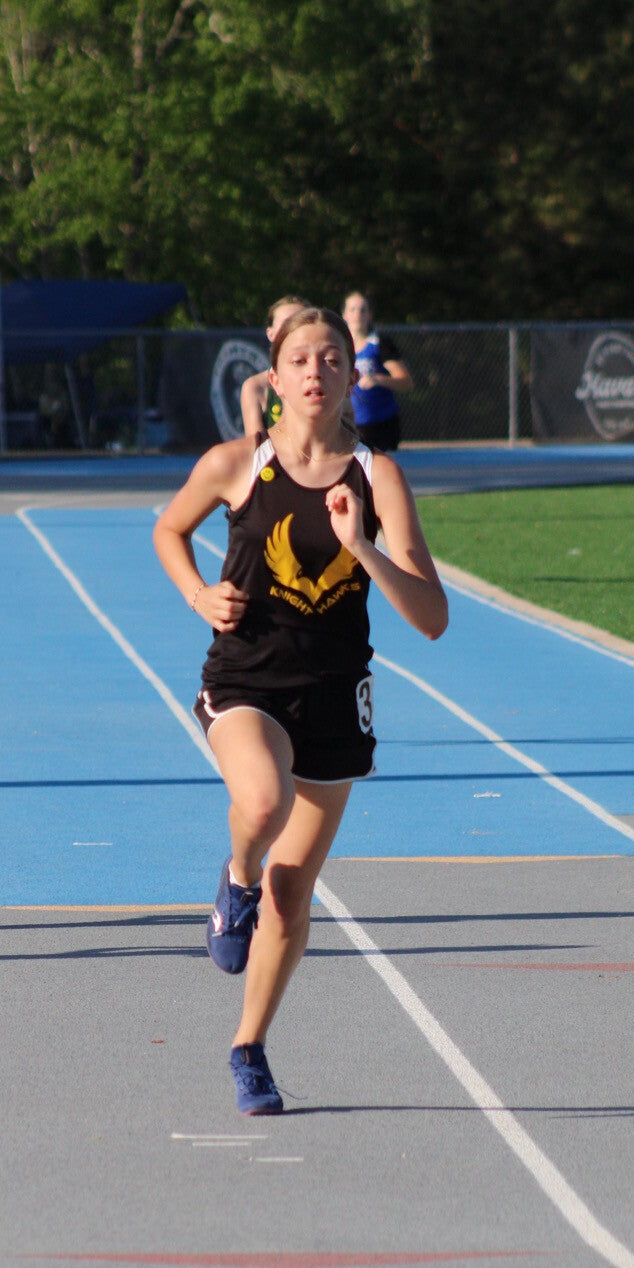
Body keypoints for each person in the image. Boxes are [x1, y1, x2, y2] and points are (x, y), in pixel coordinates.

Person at [153, 307, 447, 1115]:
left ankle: (248, 1048)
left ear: (352, 376)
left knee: (294, 895)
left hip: (335, 696)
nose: (316, 370)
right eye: (301, 358)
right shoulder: (236, 463)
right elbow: (169, 530)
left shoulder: (379, 478)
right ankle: (236, 876)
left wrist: (363, 549)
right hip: (246, 679)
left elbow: (431, 617)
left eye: (332, 358)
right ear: (275, 377)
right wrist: (197, 593)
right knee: (262, 802)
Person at [342, 290, 413, 452]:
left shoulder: (379, 344)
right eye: (352, 310)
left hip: (381, 426)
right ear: (344, 315)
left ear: (370, 315)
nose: (357, 315)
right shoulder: (339, 346)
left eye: (363, 310)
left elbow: (406, 382)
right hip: (348, 425)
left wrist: (379, 379)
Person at [239, 295, 306, 439]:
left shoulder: (326, 379)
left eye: (301, 323)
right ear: (270, 333)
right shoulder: (255, 387)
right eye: (286, 323)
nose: (293, 329)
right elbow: (256, 447)